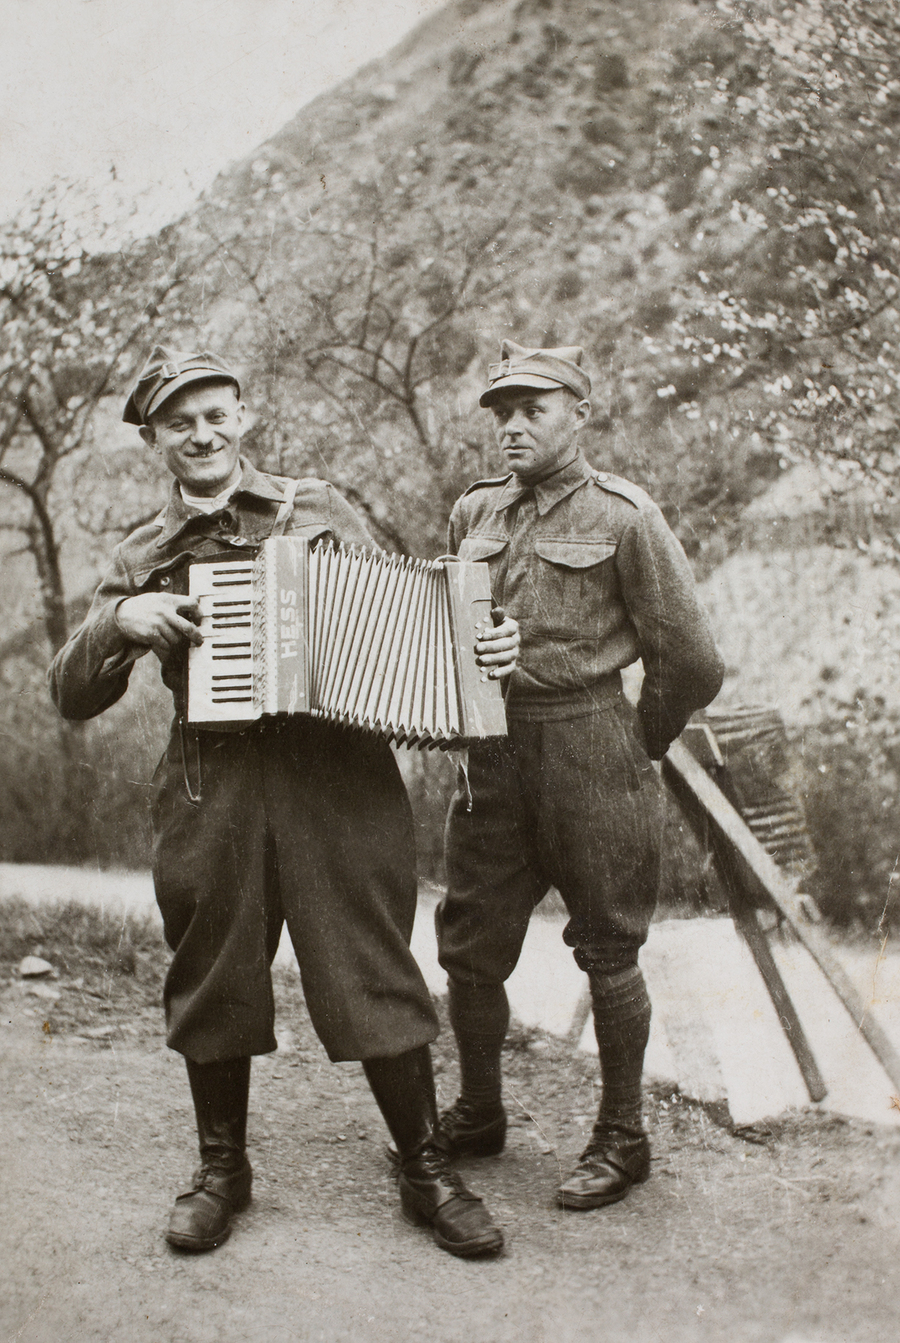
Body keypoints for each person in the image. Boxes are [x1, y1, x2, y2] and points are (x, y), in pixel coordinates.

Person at [49, 346, 519, 1258]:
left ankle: (425, 1166)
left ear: (244, 416)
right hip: (210, 779)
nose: (203, 433)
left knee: (369, 959)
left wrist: (483, 648)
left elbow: (420, 616)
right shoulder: (142, 554)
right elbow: (70, 693)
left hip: (335, 774)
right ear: (154, 439)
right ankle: (223, 1170)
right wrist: (121, 620)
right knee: (213, 963)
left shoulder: (319, 507)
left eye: (216, 413)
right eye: (179, 422)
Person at [435, 340, 724, 1209]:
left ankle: (622, 1134)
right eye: (502, 410)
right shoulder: (473, 513)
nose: (513, 425)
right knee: (469, 949)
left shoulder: (626, 516)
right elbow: (446, 628)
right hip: (492, 751)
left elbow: (694, 660)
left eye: (535, 407)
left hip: (591, 745)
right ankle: (481, 1110)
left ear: (580, 414)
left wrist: (638, 738)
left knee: (607, 944)